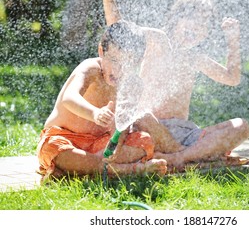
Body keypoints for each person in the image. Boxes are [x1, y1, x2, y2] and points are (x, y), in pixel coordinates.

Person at [101, 0, 249, 170]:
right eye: (193, 20)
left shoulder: (195, 58)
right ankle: (194, 156)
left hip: (185, 133)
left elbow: (232, 78)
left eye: (204, 24)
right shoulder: (157, 40)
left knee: (242, 126)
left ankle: (178, 157)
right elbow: (119, 31)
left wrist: (233, 42)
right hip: (152, 127)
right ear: (176, 18)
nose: (198, 27)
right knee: (141, 115)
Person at [36, 21, 168, 182]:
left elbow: (123, 126)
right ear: (101, 51)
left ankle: (75, 171)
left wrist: (116, 147)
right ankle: (132, 170)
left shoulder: (133, 85)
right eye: (113, 60)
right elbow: (69, 98)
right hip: (66, 139)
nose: (117, 70)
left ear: (138, 62)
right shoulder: (90, 69)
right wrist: (95, 113)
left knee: (144, 141)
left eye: (127, 63)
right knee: (53, 148)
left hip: (99, 146)